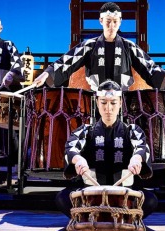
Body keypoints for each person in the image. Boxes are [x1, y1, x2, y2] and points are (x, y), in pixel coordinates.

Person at [55, 80, 158, 218]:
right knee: (62, 198)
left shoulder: (132, 130)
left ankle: (122, 217)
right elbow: (70, 147)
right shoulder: (86, 130)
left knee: (151, 200)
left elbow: (141, 147)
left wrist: (136, 158)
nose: (108, 108)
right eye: (103, 102)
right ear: (97, 102)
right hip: (91, 194)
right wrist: (78, 159)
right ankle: (89, 216)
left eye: (113, 103)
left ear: (120, 103)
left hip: (124, 193)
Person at [32, 2, 165, 91]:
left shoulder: (129, 46)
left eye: (115, 21)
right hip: (95, 100)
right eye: (107, 21)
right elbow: (66, 62)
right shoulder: (89, 46)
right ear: (100, 21)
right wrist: (47, 74)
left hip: (122, 100)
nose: (111, 25)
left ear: (120, 21)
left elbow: (149, 67)